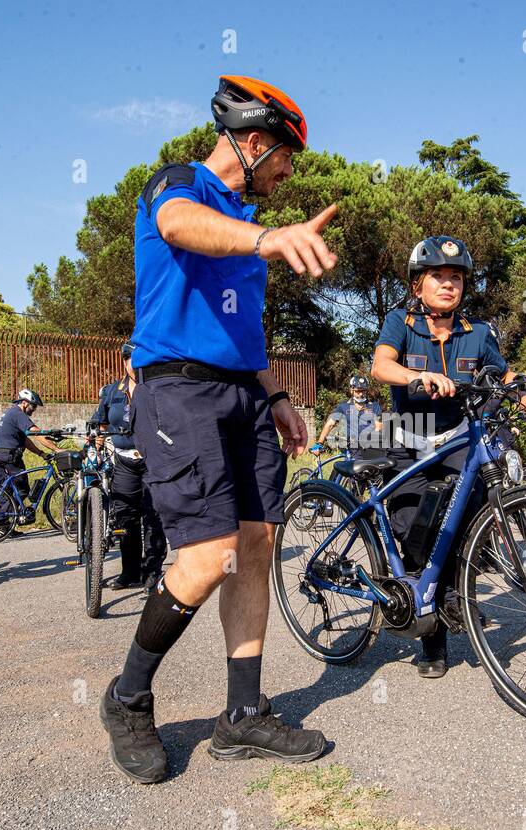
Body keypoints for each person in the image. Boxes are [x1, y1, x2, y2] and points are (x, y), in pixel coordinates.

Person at [99, 75, 340, 784]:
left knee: (257, 544)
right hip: (178, 389)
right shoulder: (180, 186)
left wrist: (276, 395)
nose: (289, 172)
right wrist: (268, 239)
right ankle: (127, 696)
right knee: (208, 554)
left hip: (243, 396)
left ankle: (241, 715)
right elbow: (177, 226)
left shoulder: (242, 222)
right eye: (286, 156)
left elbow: (242, 328)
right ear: (255, 140)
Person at [370, 236, 526, 677]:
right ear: (418, 285)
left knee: (461, 523)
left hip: (456, 438)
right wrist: (419, 376)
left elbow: (504, 373)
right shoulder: (400, 321)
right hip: (409, 437)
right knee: (418, 529)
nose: (448, 284)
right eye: (438, 276)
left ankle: (456, 601)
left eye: (456, 277)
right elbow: (381, 366)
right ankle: (430, 640)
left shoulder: (477, 332)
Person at [89, 343, 166, 594]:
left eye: (140, 359)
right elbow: (99, 422)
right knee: (125, 517)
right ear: (124, 361)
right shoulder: (112, 392)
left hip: (152, 461)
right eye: (130, 359)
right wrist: (96, 444)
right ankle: (130, 571)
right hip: (123, 462)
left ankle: (152, 571)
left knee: (153, 516)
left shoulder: (156, 388)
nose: (135, 365)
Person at [0, 388, 60, 534]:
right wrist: (57, 450)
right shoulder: (18, 414)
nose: (34, 410)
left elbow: (25, 439)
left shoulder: (11, 412)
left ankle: (3, 525)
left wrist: (40, 453)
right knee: (22, 488)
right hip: (8, 457)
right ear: (25, 403)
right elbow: (36, 433)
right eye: (33, 406)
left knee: (6, 490)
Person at [310, 374, 383, 456]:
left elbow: (379, 426)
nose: (361, 394)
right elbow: (330, 424)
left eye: (363, 391)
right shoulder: (343, 406)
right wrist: (319, 443)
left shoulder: (374, 406)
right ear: (352, 390)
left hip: (369, 448)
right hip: (351, 449)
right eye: (357, 391)